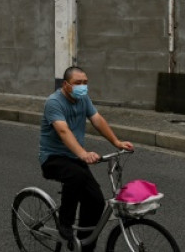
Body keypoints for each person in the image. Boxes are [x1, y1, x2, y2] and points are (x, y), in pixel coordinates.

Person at [39, 66, 133, 251]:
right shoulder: (54, 102)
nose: (82, 86)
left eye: (85, 83)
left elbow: (97, 120)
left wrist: (117, 142)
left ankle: (83, 244)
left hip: (74, 158)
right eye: (77, 83)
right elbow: (63, 131)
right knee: (76, 176)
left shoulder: (83, 99)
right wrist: (83, 153)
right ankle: (65, 223)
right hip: (53, 158)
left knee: (96, 201)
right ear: (66, 85)